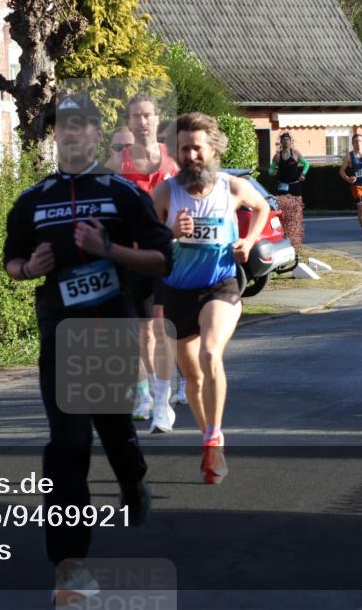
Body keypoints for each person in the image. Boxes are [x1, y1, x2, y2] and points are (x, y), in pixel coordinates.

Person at [4, 93, 173, 605]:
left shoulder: (121, 194)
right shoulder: (32, 201)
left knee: (115, 429)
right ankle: (69, 566)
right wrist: (29, 269)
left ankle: (133, 478)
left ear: (97, 135)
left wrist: (110, 251)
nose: (72, 134)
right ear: (54, 134)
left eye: (82, 126)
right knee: (68, 446)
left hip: (112, 332)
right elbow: (10, 262)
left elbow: (162, 258)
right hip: (61, 336)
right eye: (62, 126)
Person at [151, 112, 271, 484]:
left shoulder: (232, 188)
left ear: (214, 149)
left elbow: (263, 206)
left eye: (196, 149)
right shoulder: (166, 192)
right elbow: (148, 242)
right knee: (193, 379)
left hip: (220, 285)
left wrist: (248, 242)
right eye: (183, 149)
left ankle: (214, 434)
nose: (190, 156)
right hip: (177, 291)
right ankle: (209, 440)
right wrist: (171, 231)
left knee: (210, 352)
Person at [105, 94, 180, 432]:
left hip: (167, 254)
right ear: (130, 120)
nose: (142, 121)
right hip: (133, 255)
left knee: (164, 327)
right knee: (140, 330)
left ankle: (165, 392)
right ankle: (147, 394)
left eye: (147, 115)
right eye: (136, 116)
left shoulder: (172, 162)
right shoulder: (116, 163)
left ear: (157, 118)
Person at [268, 132, 309, 250]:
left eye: (288, 139)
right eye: (284, 140)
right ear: (281, 142)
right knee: (282, 210)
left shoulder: (295, 153)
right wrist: (272, 172)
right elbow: (270, 170)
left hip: (295, 185)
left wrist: (303, 174)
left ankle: (296, 237)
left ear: (291, 141)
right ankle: (283, 235)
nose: (286, 141)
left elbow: (306, 164)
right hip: (283, 186)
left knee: (297, 209)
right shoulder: (277, 156)